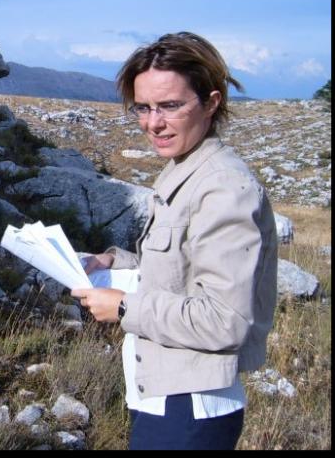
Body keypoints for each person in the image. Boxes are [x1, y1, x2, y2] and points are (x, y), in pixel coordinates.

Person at [70, 32, 278, 450]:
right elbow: (182, 269)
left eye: (170, 106)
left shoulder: (223, 188)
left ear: (212, 102)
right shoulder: (186, 169)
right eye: (143, 108)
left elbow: (225, 319)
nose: (153, 123)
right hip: (165, 395)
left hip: (189, 409)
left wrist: (124, 306)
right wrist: (116, 264)